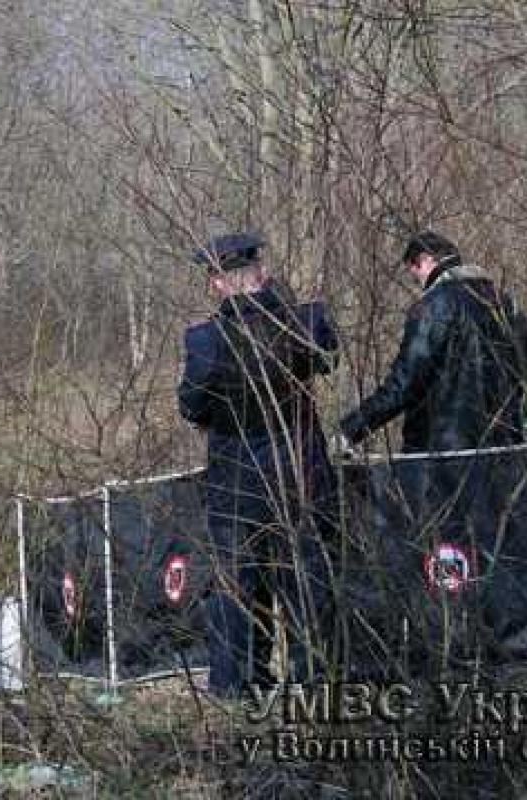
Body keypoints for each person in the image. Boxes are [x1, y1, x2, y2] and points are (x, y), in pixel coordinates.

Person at [177, 232, 339, 698]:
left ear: (216, 284)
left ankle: (238, 686)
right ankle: (315, 683)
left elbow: (191, 406)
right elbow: (327, 356)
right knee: (307, 584)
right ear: (262, 273)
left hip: (237, 484)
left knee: (236, 588)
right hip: (301, 475)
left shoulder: (206, 340)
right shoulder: (305, 321)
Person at [339, 231, 527, 453]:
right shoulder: (508, 306)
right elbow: (522, 379)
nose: (419, 285)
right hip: (507, 449)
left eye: (415, 273)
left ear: (425, 260)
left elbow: (404, 384)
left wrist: (350, 430)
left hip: (444, 455)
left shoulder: (436, 306)